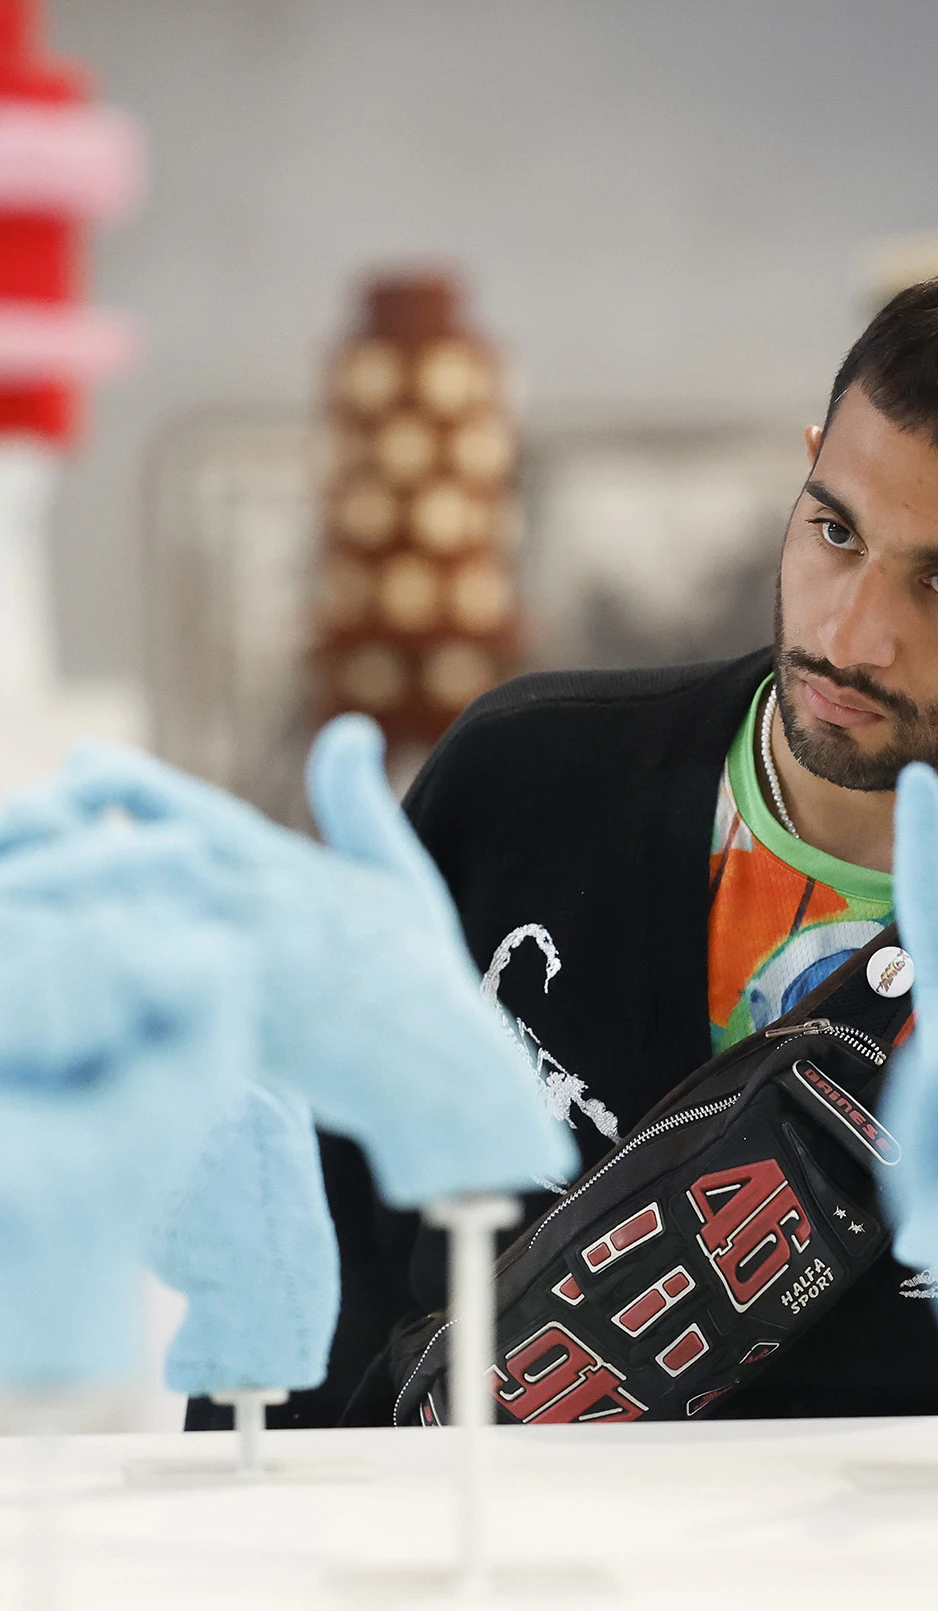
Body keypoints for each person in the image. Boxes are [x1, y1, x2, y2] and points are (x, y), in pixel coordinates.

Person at [191, 278, 938, 1431]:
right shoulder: (528, 777)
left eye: (937, 583)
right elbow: (301, 1283)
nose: (850, 634)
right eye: (833, 531)